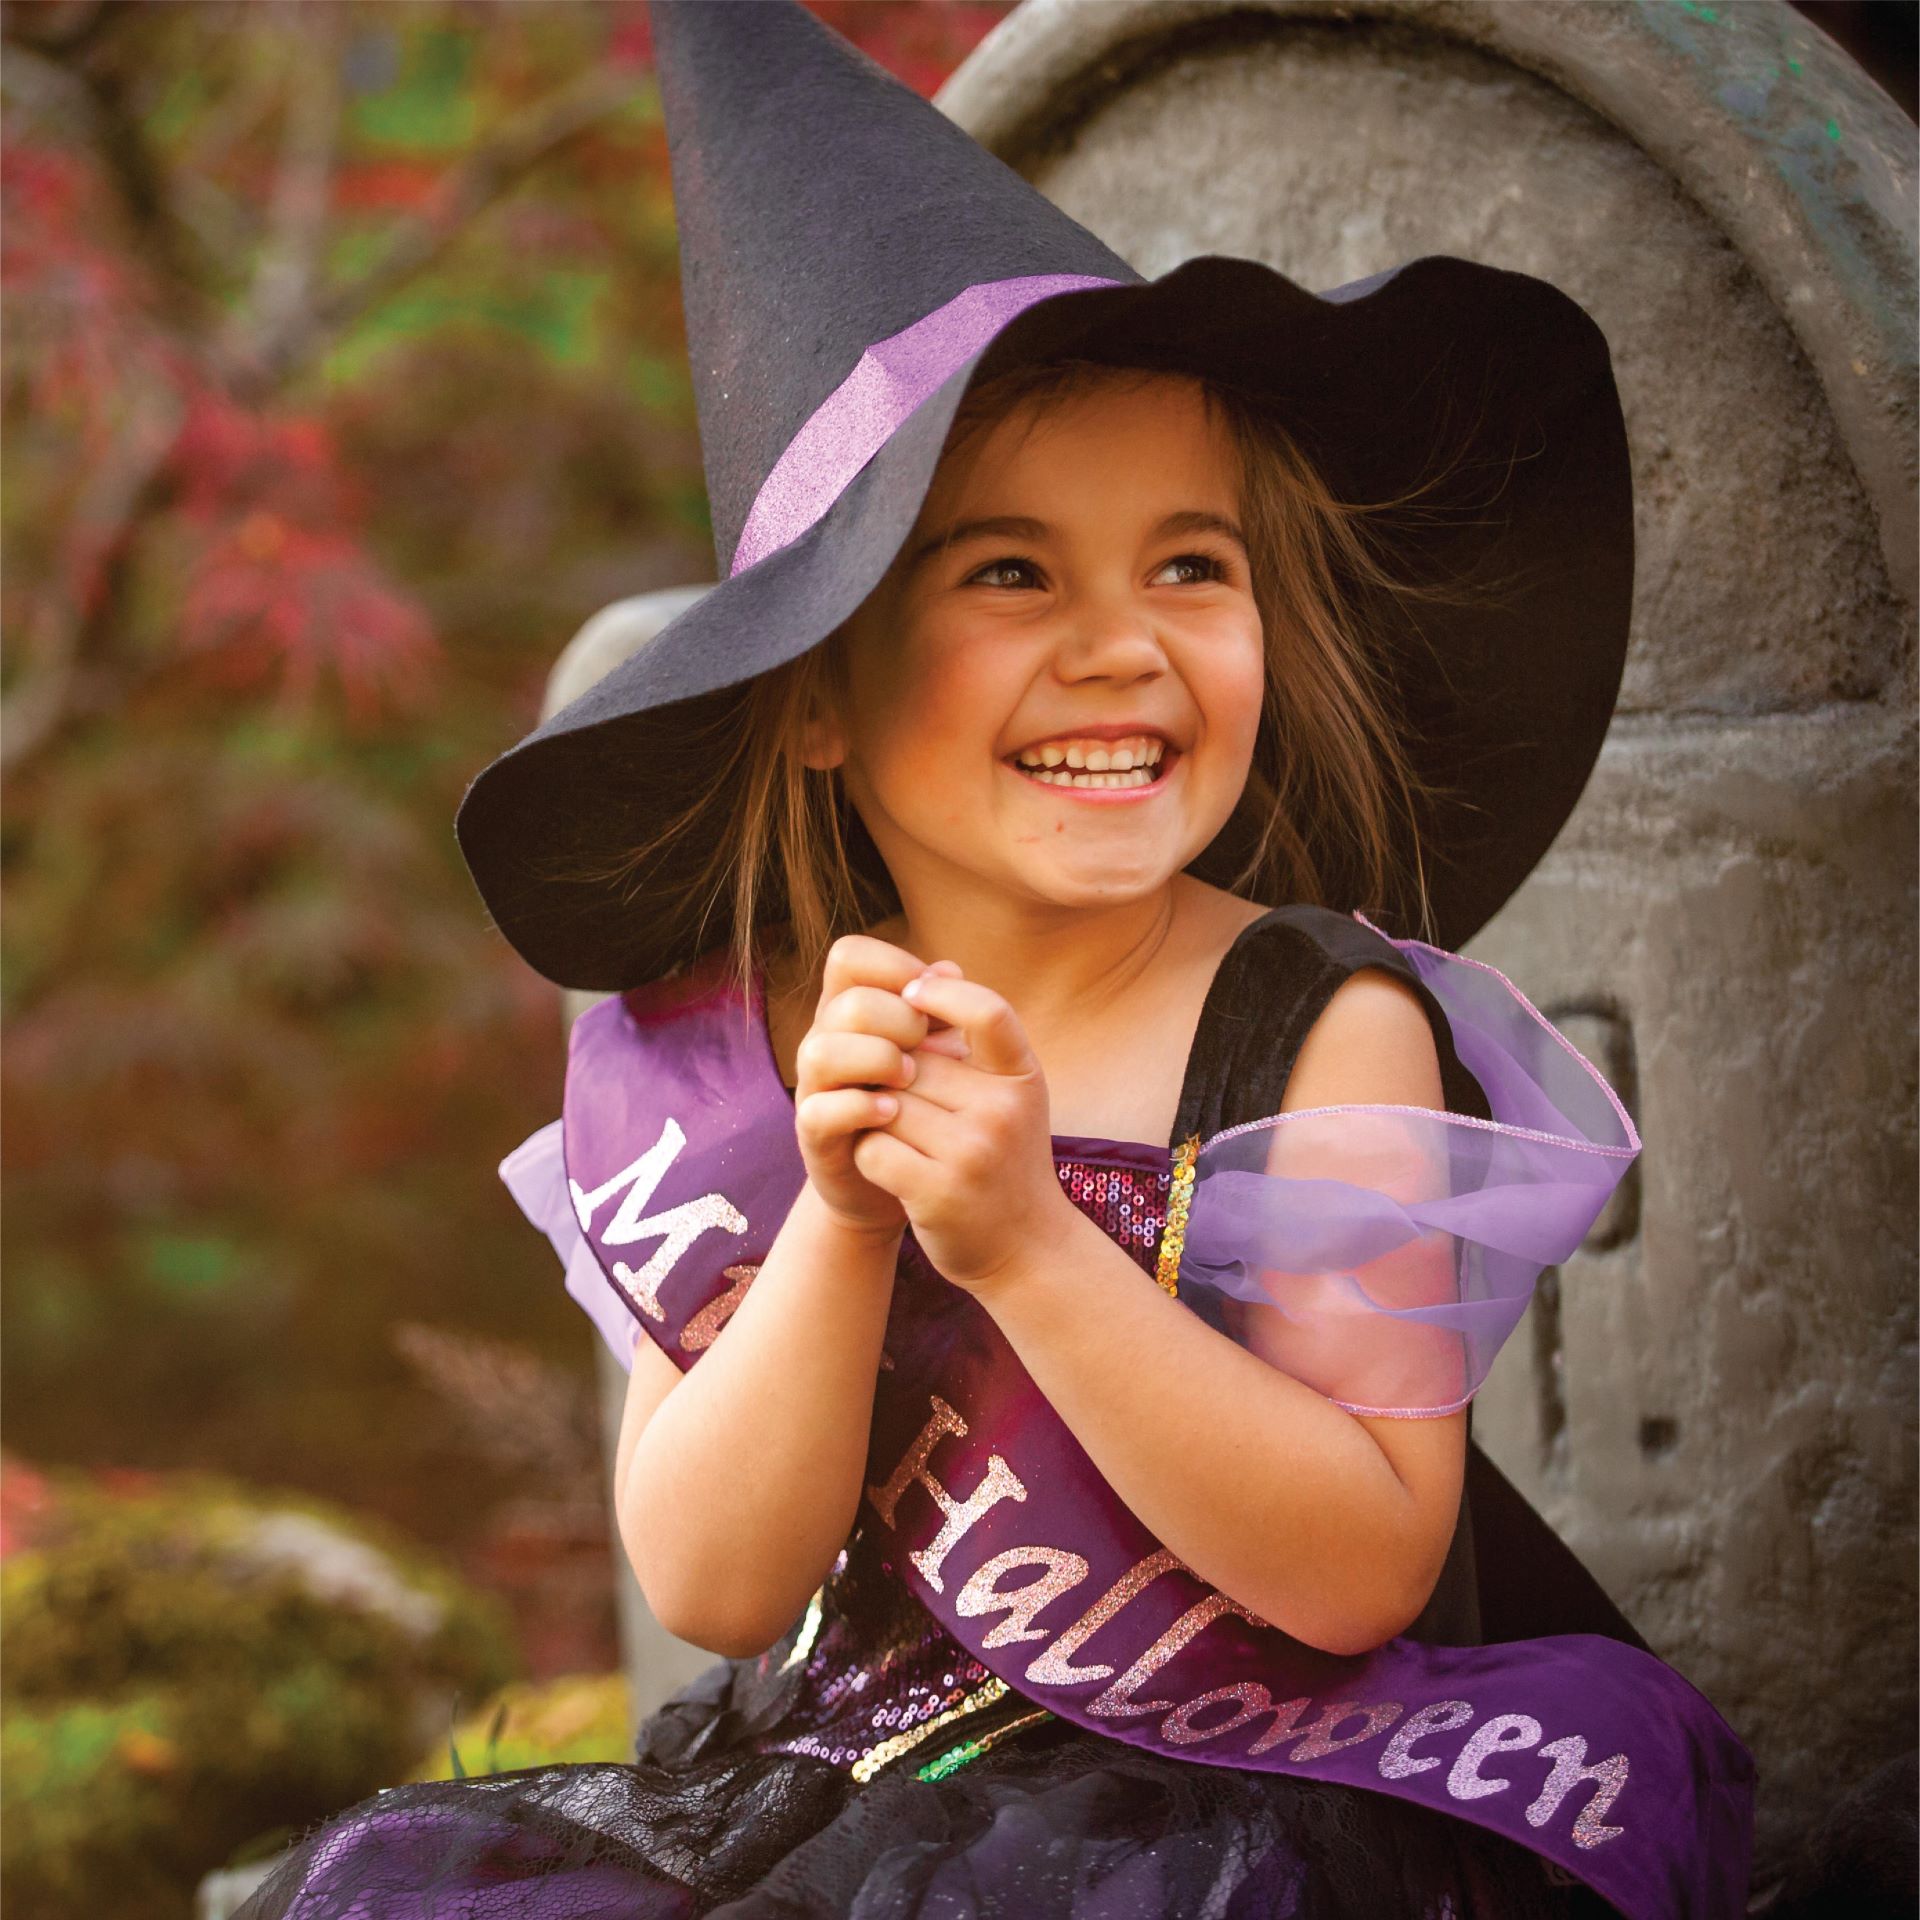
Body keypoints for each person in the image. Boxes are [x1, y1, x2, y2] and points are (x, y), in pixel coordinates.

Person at [237, 4, 1756, 1915]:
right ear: (813, 701)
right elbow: (712, 1586)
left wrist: (1033, 1241)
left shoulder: (1317, 1027)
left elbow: (1365, 1563)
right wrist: (843, 1220)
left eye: (1191, 566)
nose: (1122, 643)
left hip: (1246, 1812)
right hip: (835, 1793)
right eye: (1010, 571)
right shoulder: (749, 1051)